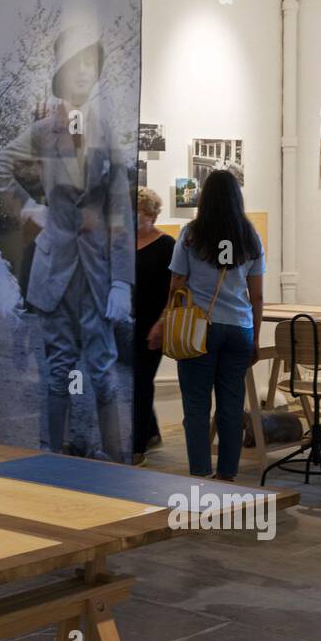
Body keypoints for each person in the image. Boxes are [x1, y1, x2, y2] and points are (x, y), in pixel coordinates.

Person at [0, 25, 134, 462]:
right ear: (62, 74)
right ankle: (53, 456)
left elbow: (120, 214)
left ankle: (114, 459)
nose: (85, 72)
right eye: (77, 64)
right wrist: (30, 208)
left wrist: (123, 282)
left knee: (104, 372)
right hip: (55, 271)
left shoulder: (109, 134)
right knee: (56, 370)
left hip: (97, 274)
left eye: (92, 63)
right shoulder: (42, 131)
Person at [147, 170, 263, 481]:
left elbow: (176, 285)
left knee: (197, 407)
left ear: (205, 198)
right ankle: (227, 474)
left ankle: (200, 472)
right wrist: (255, 338)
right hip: (239, 329)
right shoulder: (250, 237)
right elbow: (258, 296)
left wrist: (163, 321)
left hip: (198, 329)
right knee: (231, 405)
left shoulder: (191, 234)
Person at [131, 187, 174, 465]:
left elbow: (174, 290)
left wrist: (162, 323)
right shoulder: (121, 243)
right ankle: (151, 431)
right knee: (133, 380)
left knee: (141, 381)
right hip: (125, 322)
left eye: (137, 213)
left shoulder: (167, 245)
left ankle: (136, 447)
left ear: (151, 215)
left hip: (152, 324)